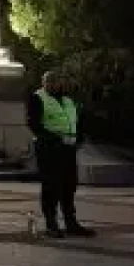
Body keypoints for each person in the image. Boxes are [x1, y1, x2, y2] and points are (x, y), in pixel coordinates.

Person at [26, 70, 93, 237]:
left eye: (54, 81)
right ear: (43, 83)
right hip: (48, 149)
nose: (51, 84)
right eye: (47, 81)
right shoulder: (37, 98)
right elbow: (34, 124)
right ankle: (51, 224)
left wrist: (79, 138)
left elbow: (77, 121)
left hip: (68, 149)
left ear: (60, 83)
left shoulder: (68, 100)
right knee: (51, 186)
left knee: (69, 185)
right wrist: (54, 139)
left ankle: (71, 222)